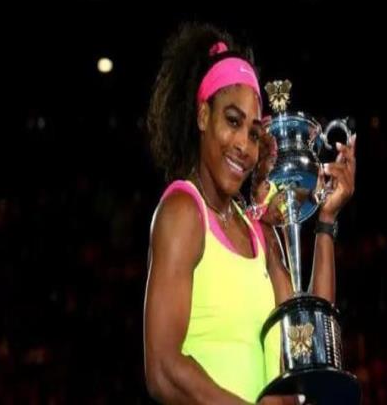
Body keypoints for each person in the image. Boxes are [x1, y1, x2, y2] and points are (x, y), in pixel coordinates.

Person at [143, 22, 356, 405]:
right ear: (202, 116)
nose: (244, 144)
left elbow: (306, 341)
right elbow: (163, 369)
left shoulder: (257, 229)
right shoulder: (183, 211)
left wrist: (326, 221)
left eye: (255, 133)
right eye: (233, 121)